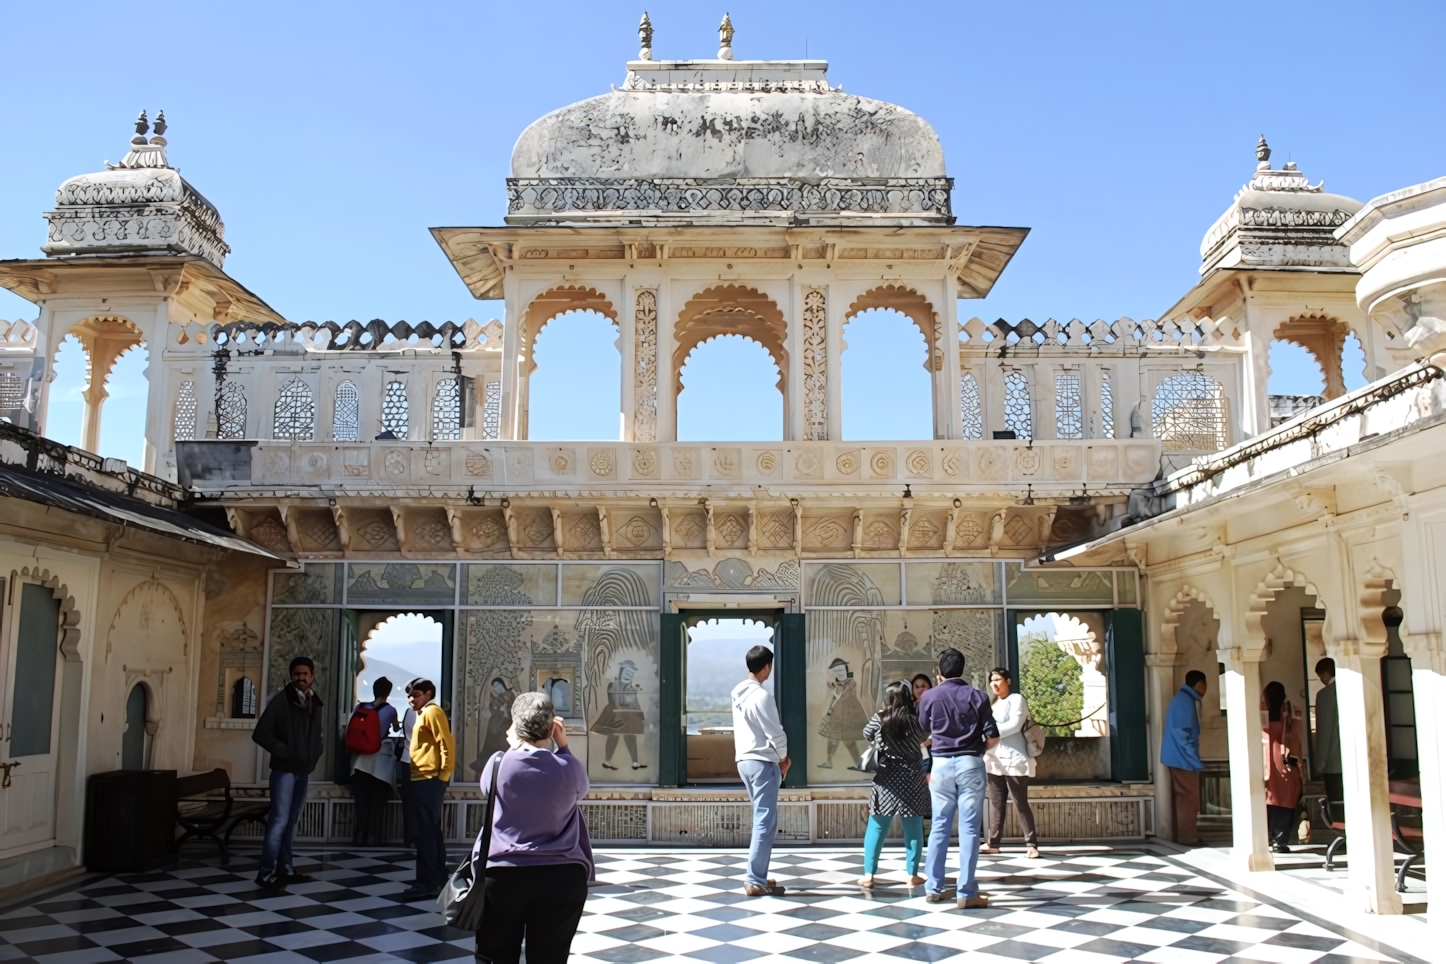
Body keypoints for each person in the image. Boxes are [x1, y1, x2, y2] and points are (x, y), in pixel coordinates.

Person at [474, 692, 593, 964]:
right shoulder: (568, 767)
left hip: (504, 876)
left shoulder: (497, 764)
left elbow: (486, 791)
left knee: (496, 956)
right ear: (552, 727)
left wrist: (515, 742)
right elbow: (580, 789)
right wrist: (563, 746)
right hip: (562, 877)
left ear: (516, 725)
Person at [917, 648, 998, 908]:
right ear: (962, 669)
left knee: (940, 824)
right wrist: (976, 752)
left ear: (939, 672)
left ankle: (933, 887)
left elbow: (923, 728)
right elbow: (993, 737)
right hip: (970, 763)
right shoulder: (978, 696)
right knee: (970, 828)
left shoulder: (929, 696)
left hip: (940, 764)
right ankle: (967, 892)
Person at [250, 656, 324, 890]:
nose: (301, 677)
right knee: (279, 821)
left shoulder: (314, 702)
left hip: (302, 771)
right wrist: (287, 752)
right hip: (284, 771)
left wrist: (314, 754)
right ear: (291, 675)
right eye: (297, 673)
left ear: (312, 676)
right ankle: (266, 873)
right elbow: (260, 733)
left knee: (291, 822)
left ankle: (285, 869)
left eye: (305, 674)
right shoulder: (282, 701)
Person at [858, 680, 930, 889]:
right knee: (913, 827)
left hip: (886, 779)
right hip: (912, 778)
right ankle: (912, 874)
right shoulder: (916, 720)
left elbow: (866, 733)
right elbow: (925, 737)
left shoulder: (880, 718)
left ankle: (869, 874)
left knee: (877, 826)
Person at [732, 644, 790, 896]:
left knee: (761, 818)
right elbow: (774, 732)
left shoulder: (738, 692)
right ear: (766, 667)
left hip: (744, 760)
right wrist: (784, 758)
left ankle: (759, 875)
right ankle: (755, 879)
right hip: (762, 762)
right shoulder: (762, 696)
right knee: (765, 821)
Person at [402, 679, 455, 900]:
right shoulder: (423, 713)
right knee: (427, 832)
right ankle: (433, 878)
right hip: (422, 778)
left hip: (429, 779)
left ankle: (431, 880)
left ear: (428, 693)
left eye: (415, 695)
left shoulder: (433, 712)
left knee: (426, 833)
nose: (411, 699)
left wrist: (442, 777)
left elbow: (446, 744)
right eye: (409, 696)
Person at [983, 667, 1039, 859]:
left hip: (1015, 759)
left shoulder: (1017, 699)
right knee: (996, 803)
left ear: (1008, 681)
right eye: (992, 680)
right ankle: (993, 842)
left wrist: (991, 733)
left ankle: (1031, 844)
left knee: (1020, 801)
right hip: (994, 759)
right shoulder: (991, 703)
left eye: (998, 679)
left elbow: (1015, 725)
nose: (994, 684)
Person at [350, 676, 399, 847]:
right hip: (380, 764)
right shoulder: (391, 710)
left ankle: (359, 837)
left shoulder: (360, 707)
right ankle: (373, 838)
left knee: (361, 803)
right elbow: (396, 728)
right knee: (377, 803)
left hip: (359, 762)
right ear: (388, 692)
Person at [1160, 670, 1207, 846]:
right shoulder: (1185, 702)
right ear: (1199, 684)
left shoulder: (1183, 699)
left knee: (1184, 797)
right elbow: (1183, 734)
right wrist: (1193, 758)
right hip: (1183, 760)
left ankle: (1183, 835)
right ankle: (1187, 837)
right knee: (1189, 797)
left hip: (1177, 758)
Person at [1262, 680, 1304, 853]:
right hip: (1284, 761)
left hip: (1266, 762)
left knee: (1269, 800)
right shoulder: (1288, 713)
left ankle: (1266, 838)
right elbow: (1295, 738)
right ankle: (1280, 839)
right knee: (1287, 800)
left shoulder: (1261, 715)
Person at [591, 660, 647, 770]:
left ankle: (635, 762)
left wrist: (641, 716)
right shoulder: (613, 685)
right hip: (615, 714)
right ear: (621, 672)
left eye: (631, 674)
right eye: (627, 673)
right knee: (613, 735)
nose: (629, 676)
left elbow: (635, 703)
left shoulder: (631, 688)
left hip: (629, 716)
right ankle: (607, 761)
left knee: (630, 735)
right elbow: (615, 701)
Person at [818, 658, 868, 769]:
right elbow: (833, 699)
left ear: (846, 670)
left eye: (841, 670)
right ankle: (829, 762)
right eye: (836, 671)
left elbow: (844, 695)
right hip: (836, 715)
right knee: (832, 739)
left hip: (849, 716)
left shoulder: (851, 683)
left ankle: (859, 764)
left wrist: (836, 687)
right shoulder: (836, 685)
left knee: (849, 742)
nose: (839, 674)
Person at [1313, 658, 1342, 811]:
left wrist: (1320, 763)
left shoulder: (1325, 695)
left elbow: (1324, 731)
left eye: (1321, 677)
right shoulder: (1353, 688)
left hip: (1334, 763)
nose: (1322, 680)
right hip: (1359, 762)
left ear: (1325, 673)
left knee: (1338, 806)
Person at [397, 678, 421, 848]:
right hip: (421, 764)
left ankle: (409, 838)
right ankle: (418, 837)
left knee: (408, 803)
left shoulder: (408, 712)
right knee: (420, 802)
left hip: (406, 760)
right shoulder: (426, 713)